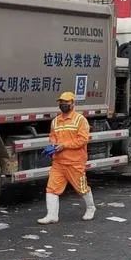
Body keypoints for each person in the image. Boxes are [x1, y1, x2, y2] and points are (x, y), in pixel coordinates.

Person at [38, 91, 96, 224]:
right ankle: (52, 215)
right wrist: (53, 144)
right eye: (61, 102)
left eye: (66, 102)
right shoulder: (55, 121)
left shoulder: (80, 120)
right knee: (52, 188)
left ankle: (91, 208)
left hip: (75, 162)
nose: (63, 105)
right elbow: (53, 136)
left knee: (81, 188)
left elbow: (82, 140)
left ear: (73, 103)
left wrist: (63, 145)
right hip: (58, 162)